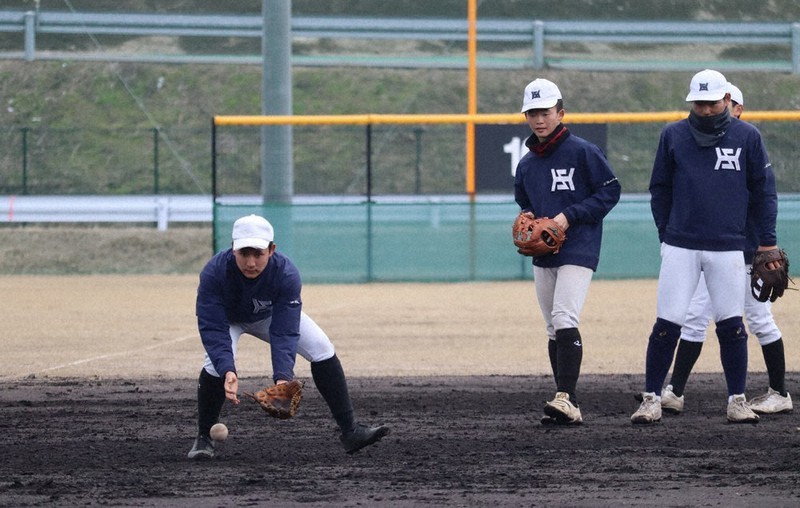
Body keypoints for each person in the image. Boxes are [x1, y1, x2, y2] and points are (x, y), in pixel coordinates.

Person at [631, 69, 780, 425]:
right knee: (667, 324)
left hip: (729, 247)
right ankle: (652, 398)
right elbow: (660, 188)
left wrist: (768, 241)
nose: (706, 110)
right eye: (699, 103)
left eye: (712, 103)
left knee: (732, 326)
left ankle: (737, 400)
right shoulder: (673, 135)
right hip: (681, 245)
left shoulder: (747, 137)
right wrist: (665, 233)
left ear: (728, 100)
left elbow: (764, 192)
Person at [188, 214, 390, 459]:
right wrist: (227, 368)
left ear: (272, 250)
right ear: (233, 249)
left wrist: (283, 378)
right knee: (213, 365)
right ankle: (203, 437)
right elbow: (213, 327)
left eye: (258, 253)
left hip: (268, 315)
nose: (251, 262)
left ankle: (351, 431)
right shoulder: (214, 273)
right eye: (244, 253)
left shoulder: (286, 274)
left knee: (322, 348)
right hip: (228, 320)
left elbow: (285, 330)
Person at [514, 78, 621, 425]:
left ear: (560, 112)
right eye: (532, 113)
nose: (538, 119)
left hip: (579, 246)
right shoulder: (527, 164)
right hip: (544, 252)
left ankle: (567, 398)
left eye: (545, 112)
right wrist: (528, 217)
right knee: (551, 327)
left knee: (564, 318)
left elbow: (610, 192)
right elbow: (525, 202)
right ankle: (565, 403)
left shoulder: (583, 151)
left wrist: (567, 216)